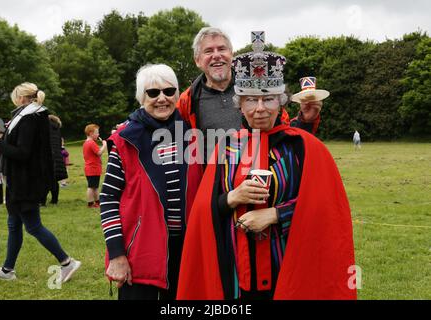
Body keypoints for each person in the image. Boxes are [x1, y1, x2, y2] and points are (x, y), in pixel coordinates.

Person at [177, 35, 356, 300]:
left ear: (281, 102)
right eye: (250, 100)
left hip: (288, 267)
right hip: (236, 272)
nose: (259, 109)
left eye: (269, 99)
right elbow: (205, 210)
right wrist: (232, 197)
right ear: (240, 104)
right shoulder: (226, 147)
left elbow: (326, 207)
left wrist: (276, 214)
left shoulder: (303, 147)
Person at [100, 64, 203, 300]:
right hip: (141, 251)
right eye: (153, 93)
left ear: (177, 95)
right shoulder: (126, 140)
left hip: (188, 252)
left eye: (168, 91)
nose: (162, 99)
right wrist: (116, 254)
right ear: (141, 97)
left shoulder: (193, 135)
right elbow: (108, 199)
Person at [176, 28, 323, 161]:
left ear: (231, 55)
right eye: (208, 51)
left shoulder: (258, 87)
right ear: (197, 60)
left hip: (264, 176)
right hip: (215, 184)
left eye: (222, 49)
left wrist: (306, 121)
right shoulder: (187, 100)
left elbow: (281, 133)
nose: (216, 55)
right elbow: (176, 142)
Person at [0, 82, 80, 282]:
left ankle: (67, 262)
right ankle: (7, 270)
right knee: (14, 224)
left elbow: (23, 153)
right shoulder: (28, 116)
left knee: (33, 226)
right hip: (18, 180)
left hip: (26, 182)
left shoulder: (31, 118)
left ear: (21, 98)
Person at [40, 114, 68, 205]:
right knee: (54, 179)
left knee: (45, 180)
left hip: (48, 155)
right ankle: (54, 200)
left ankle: (42, 201)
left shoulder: (45, 127)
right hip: (58, 156)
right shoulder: (57, 129)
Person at [83, 124, 107, 208]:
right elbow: (99, 152)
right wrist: (104, 145)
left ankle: (97, 202)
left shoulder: (87, 143)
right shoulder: (91, 143)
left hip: (92, 168)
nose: (98, 134)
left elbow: (96, 155)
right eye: (97, 133)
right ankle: (90, 203)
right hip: (92, 168)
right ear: (90, 133)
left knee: (95, 186)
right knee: (91, 187)